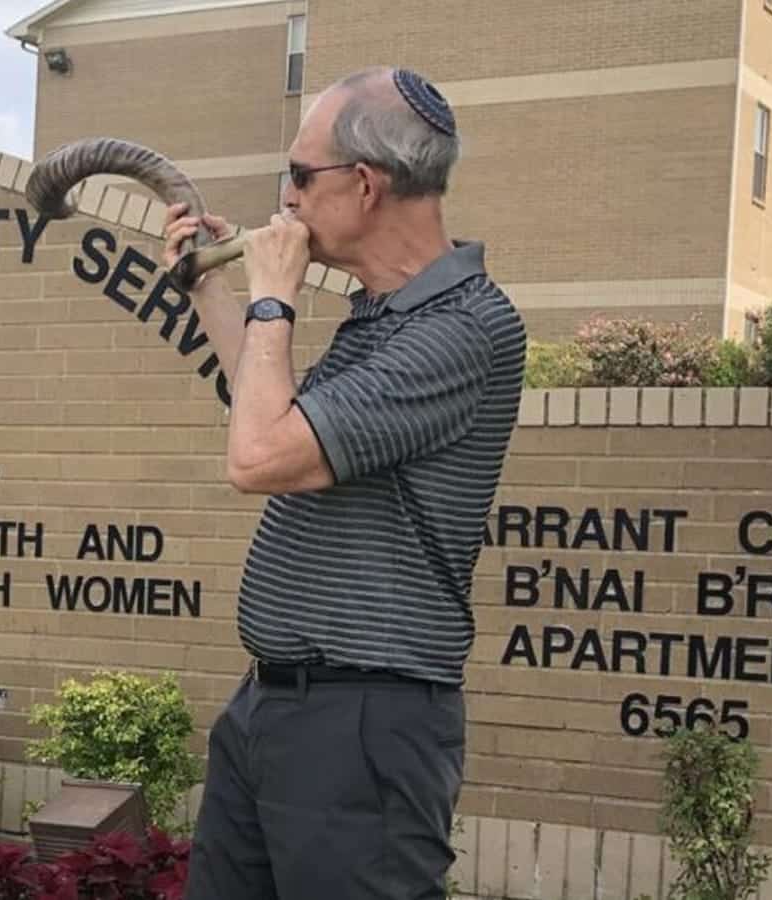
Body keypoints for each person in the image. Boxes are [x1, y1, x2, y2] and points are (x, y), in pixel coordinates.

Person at [162, 65, 527, 899]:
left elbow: (256, 460)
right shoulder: (381, 318)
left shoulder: (465, 329)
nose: (285, 201)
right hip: (275, 706)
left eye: (298, 177)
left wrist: (275, 300)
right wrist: (217, 289)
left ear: (365, 185)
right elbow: (275, 423)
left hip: (364, 723)